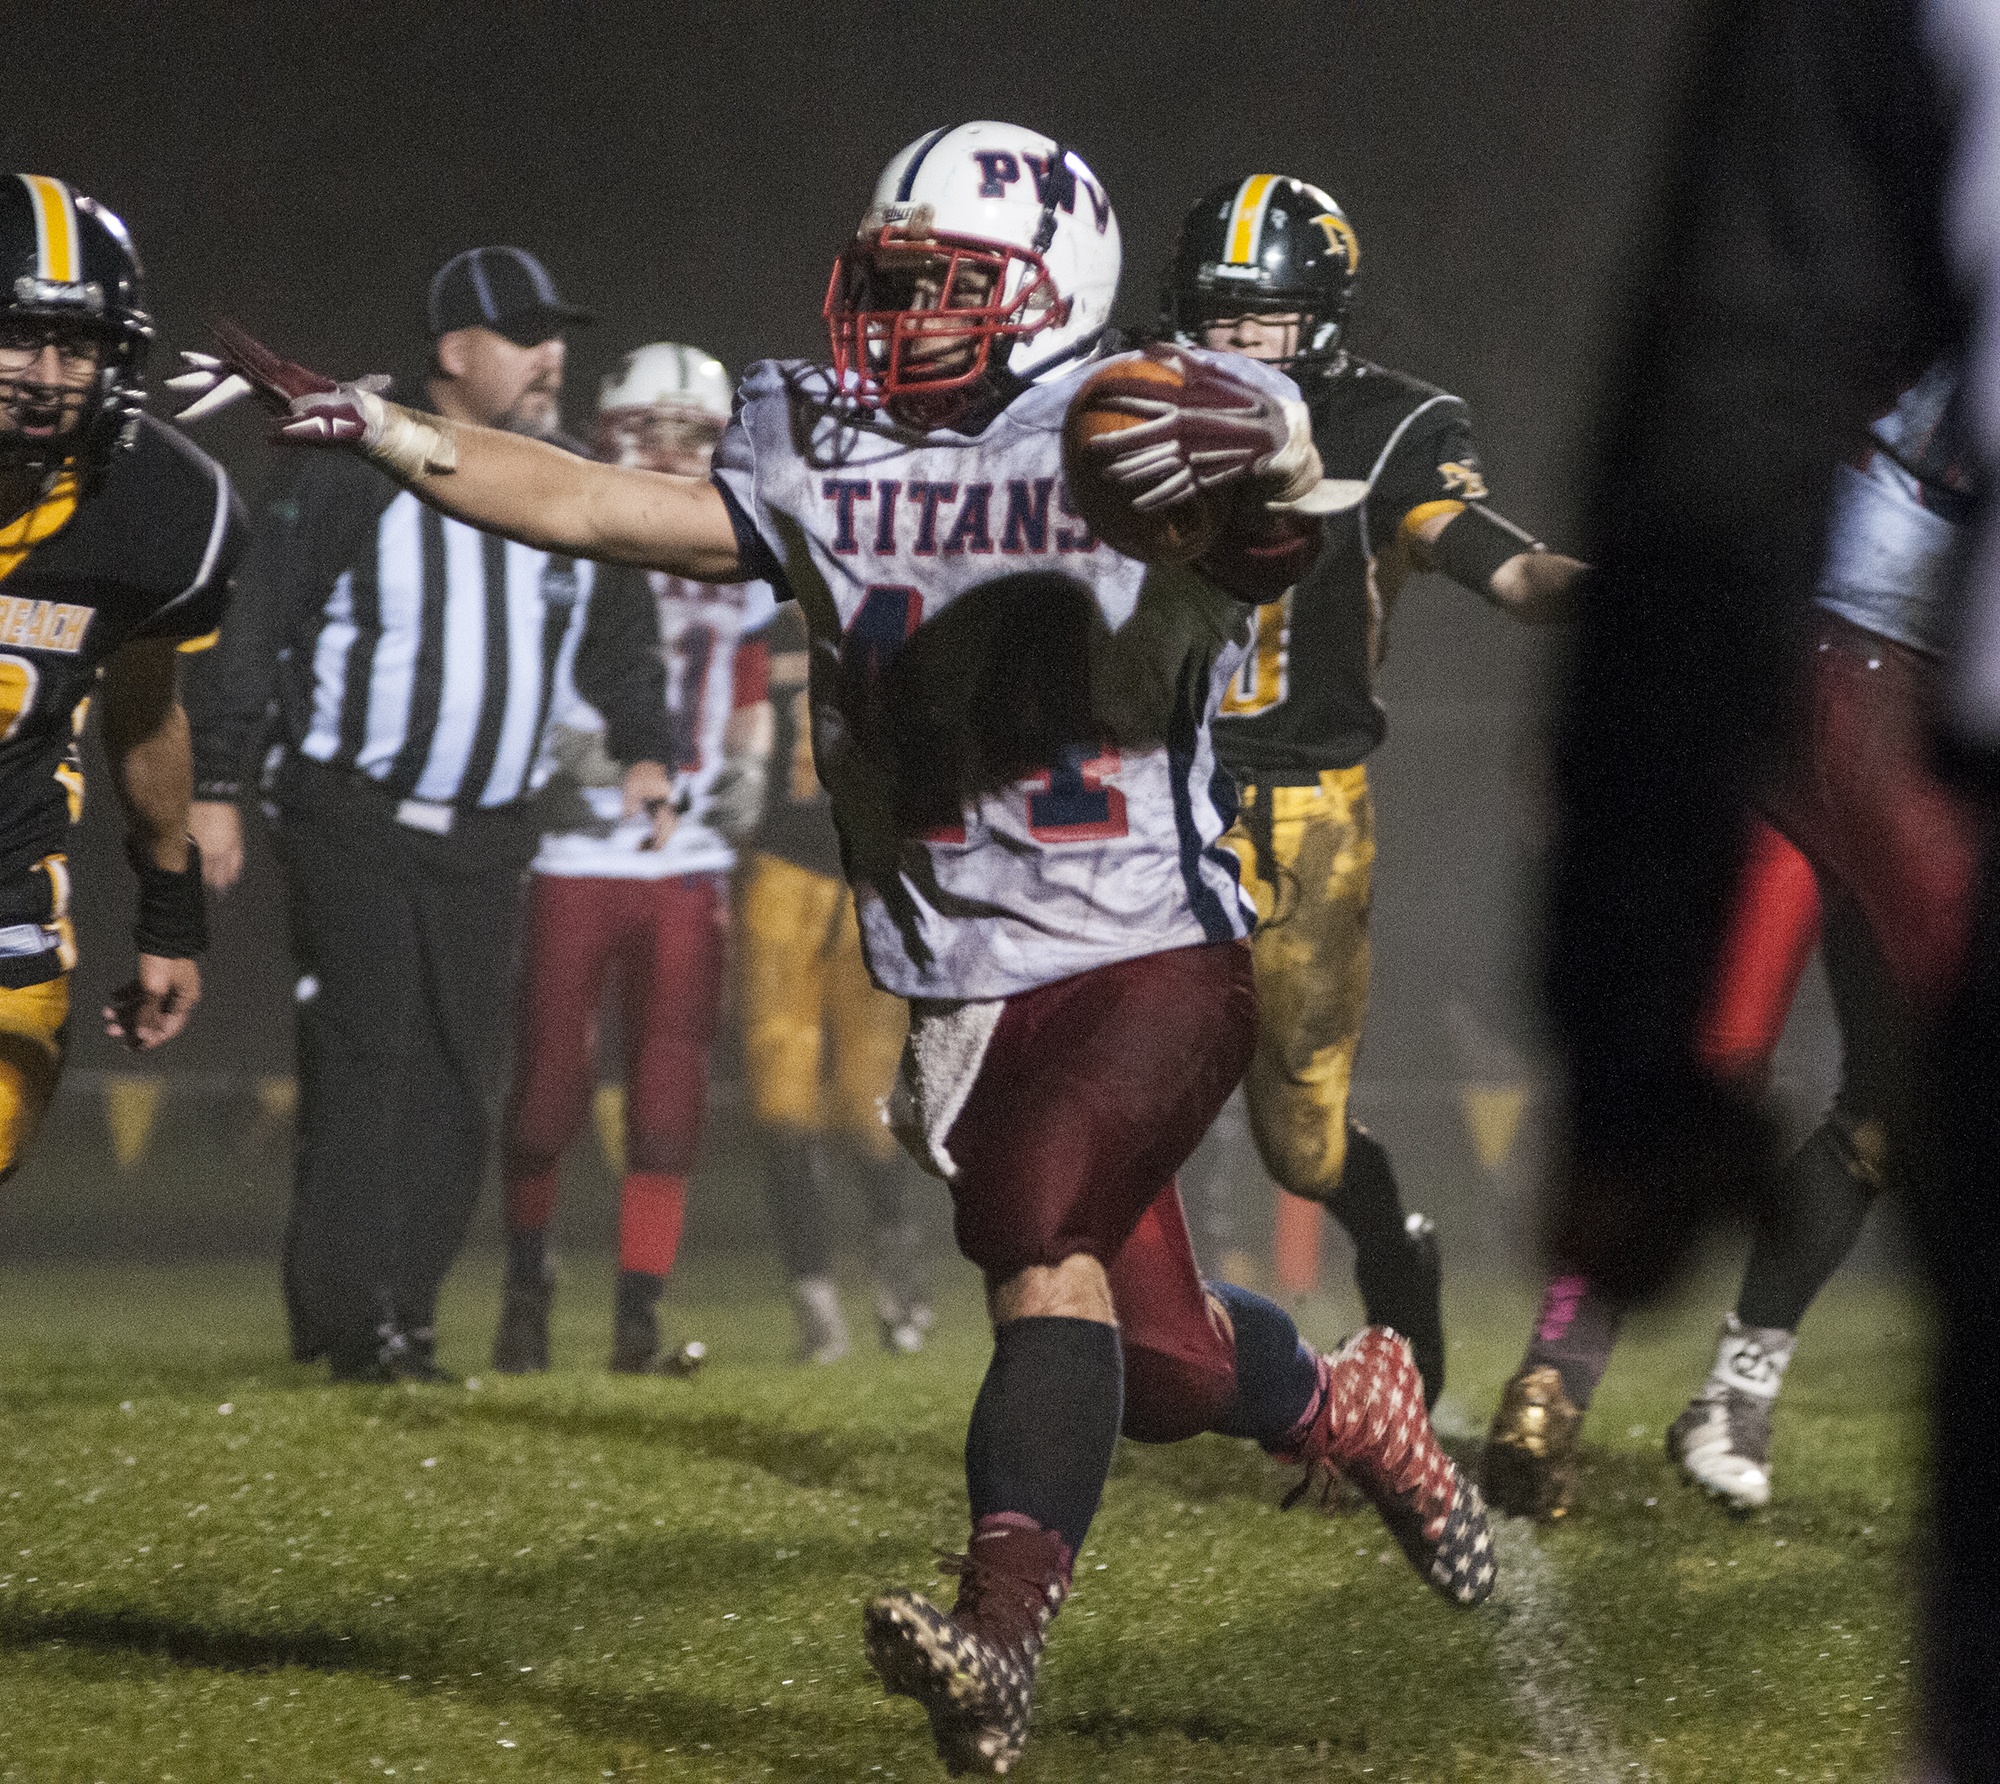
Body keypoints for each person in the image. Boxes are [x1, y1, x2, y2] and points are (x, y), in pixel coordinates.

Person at [174, 118, 1497, 1778]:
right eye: (892, 279)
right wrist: (384, 428)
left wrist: (1259, 500)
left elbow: (1263, 530)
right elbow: (592, 502)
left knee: (1035, 1227)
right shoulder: (819, 436)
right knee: (1157, 1362)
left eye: (948, 285)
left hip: (1154, 947)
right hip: (965, 978)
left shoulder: (1129, 418)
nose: (902, 314)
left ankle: (997, 1637)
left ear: (1051, 289)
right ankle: (1348, 1407)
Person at [1487, 360, 1979, 1519]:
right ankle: (1559, 1379)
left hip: (1888, 710)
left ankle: (1717, 1391)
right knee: (1721, 1056)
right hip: (1831, 695)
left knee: (1891, 1098)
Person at [177, 247, 674, 1383]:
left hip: (491, 832)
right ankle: (357, 1326)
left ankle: (405, 1312)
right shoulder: (353, 462)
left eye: (557, 333)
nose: (552, 355)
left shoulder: (566, 475)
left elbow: (618, 637)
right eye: (524, 334)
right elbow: (258, 622)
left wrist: (647, 748)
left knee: (457, 1079)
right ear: (453, 351)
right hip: (351, 812)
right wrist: (218, 782)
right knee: (369, 1059)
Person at [1158, 175, 1587, 1404]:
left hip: (1305, 808)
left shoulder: (1385, 423)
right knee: (1122, 1080)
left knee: (1302, 1143)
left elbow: (1503, 569)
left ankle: (1399, 1272)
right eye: (1216, 315)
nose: (1237, 342)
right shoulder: (1132, 398)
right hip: (1153, 790)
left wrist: (1640, 593)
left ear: (1322, 318)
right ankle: (1138, 1354)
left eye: (1263, 317)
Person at [490, 341, 774, 1376]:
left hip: (687, 853)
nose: (673, 451)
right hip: (575, 846)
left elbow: (747, 683)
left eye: (695, 434)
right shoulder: (567, 532)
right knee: (545, 1094)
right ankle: (527, 1289)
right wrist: (551, 753)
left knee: (668, 1098)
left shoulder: (734, 545)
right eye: (653, 429)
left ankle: (638, 1315)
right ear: (614, 429)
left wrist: (752, 760)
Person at [0, 173, 242, 1174]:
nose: (48, 376)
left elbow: (143, 716)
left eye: (79, 346)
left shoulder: (156, 506)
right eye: (18, 337)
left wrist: (170, 913)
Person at [740, 594, 932, 1363]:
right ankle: (817, 1305)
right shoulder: (761, 638)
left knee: (871, 1103)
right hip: (782, 874)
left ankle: (899, 1287)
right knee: (781, 1104)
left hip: (870, 885)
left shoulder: (895, 633)